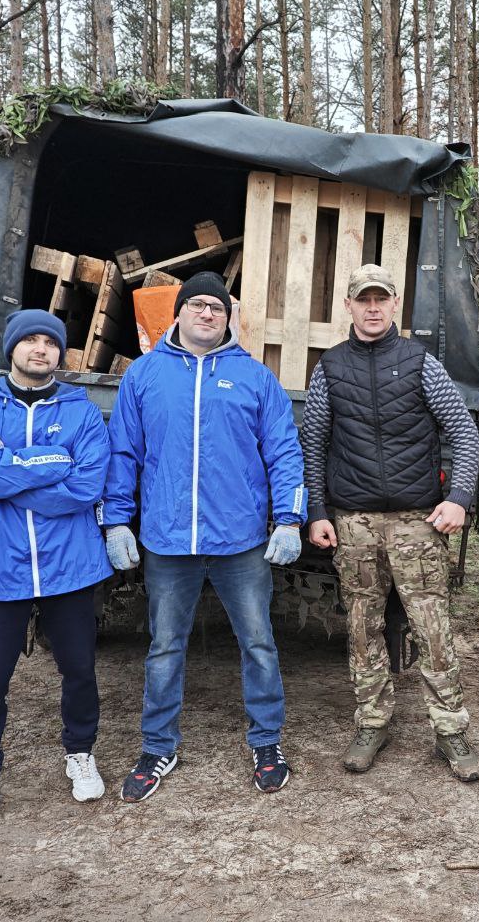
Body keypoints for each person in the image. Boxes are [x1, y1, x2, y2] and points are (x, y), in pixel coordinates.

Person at [103, 271, 306, 800]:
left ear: (227, 317)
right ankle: (157, 745)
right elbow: (123, 453)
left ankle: (267, 741)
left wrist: (289, 518)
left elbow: (284, 452)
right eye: (196, 305)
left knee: (258, 643)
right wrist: (116, 520)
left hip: (241, 542)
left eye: (216, 308)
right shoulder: (144, 376)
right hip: (168, 541)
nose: (207, 315)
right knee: (165, 646)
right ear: (179, 312)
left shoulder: (255, 377)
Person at [301, 264, 479, 782]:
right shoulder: (330, 367)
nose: (373, 308)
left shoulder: (419, 362)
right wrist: (318, 511)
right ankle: (372, 722)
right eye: (364, 299)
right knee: (362, 626)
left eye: (382, 299)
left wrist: (460, 498)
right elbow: (313, 443)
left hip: (417, 519)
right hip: (354, 520)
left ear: (394, 304)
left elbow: (462, 431)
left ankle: (450, 729)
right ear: (349, 306)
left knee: (432, 627)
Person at [0, 309, 112, 834]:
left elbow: (87, 486)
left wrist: (15, 463)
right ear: (12, 349)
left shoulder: (82, 413)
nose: (40, 349)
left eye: (50, 342)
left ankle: (80, 752)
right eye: (30, 341)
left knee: (80, 671)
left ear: (61, 354)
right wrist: (51, 460)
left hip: (69, 566)